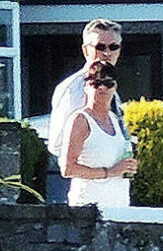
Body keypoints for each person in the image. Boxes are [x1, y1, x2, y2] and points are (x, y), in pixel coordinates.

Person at [47, 18, 129, 160]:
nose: (107, 53)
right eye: (100, 47)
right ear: (86, 50)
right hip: (88, 175)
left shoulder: (111, 86)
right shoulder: (73, 88)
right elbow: (58, 144)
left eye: (113, 47)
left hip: (115, 176)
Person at [59, 61, 138, 208]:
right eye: (96, 83)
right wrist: (109, 172)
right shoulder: (80, 120)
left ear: (115, 87)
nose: (102, 88)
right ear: (86, 87)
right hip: (88, 209)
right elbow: (67, 168)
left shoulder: (117, 119)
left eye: (108, 83)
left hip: (119, 207)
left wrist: (129, 167)